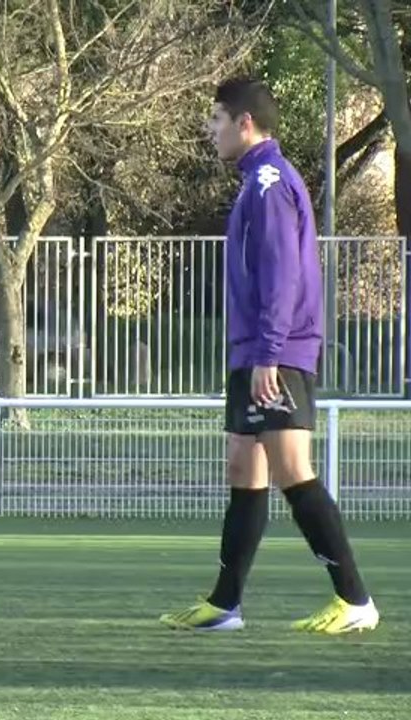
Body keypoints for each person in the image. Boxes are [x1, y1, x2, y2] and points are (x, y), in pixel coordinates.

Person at [160, 77, 378, 634]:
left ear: (244, 123)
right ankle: (225, 604)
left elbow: (282, 277)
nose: (210, 131)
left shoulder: (269, 182)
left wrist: (269, 355)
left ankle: (355, 600)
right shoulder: (253, 182)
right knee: (243, 465)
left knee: (291, 470)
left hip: (276, 352)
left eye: (215, 119)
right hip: (254, 349)